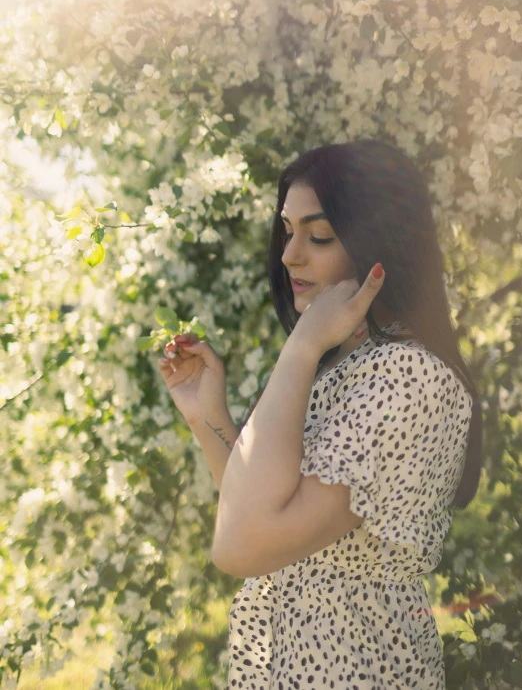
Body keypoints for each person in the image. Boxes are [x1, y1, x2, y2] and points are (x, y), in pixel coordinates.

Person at [158, 138, 483, 689]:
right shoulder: (349, 362)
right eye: (288, 231)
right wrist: (206, 415)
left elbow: (242, 546)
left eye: (319, 235)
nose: (290, 254)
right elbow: (259, 513)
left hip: (354, 669)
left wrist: (302, 347)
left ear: (378, 241)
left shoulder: (407, 376)